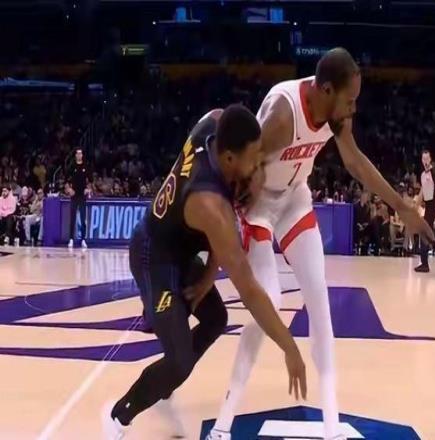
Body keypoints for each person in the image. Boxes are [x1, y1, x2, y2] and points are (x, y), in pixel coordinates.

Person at [208, 48, 434, 440]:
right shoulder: (282, 115)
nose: (353, 109)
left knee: (320, 303)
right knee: (268, 303)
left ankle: (331, 426)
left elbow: (355, 162)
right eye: (350, 100)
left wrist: (403, 208)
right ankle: (223, 424)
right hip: (258, 206)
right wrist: (215, 238)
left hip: (294, 198)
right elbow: (238, 169)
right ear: (325, 90)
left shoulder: (335, 115)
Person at [102, 105, 307, 439]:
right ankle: (118, 415)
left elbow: (221, 113)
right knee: (179, 362)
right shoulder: (210, 204)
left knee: (216, 319)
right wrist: (290, 347)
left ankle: (165, 382)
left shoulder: (210, 127)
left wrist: (210, 276)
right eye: (253, 159)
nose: (258, 165)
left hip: (181, 249)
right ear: (228, 158)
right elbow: (249, 288)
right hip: (154, 257)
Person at [67, 148, 91, 248]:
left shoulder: (86, 166)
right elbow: (66, 180)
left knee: (82, 218)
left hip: (82, 196)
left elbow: (90, 180)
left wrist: (88, 189)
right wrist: (69, 189)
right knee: (72, 218)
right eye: (77, 153)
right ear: (75, 155)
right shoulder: (72, 166)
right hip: (74, 195)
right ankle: (71, 239)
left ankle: (83, 239)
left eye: (81, 153)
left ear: (82, 155)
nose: (79, 155)